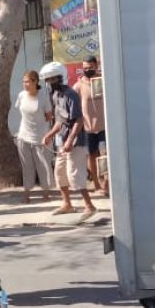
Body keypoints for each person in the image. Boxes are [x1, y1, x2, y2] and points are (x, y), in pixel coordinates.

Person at [40, 61, 97, 219]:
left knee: (75, 174)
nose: (49, 82)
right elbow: (60, 121)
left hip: (75, 141)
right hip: (62, 141)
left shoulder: (70, 94)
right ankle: (67, 204)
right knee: (59, 173)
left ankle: (89, 206)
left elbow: (78, 119)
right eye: (47, 80)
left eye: (52, 79)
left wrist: (70, 140)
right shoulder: (55, 95)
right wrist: (50, 134)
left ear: (60, 78)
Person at [13, 70, 54, 202]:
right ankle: (27, 195)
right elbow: (19, 111)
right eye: (23, 82)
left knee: (43, 165)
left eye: (27, 82)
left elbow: (49, 116)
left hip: (41, 137)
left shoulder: (43, 95)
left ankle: (46, 194)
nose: (25, 84)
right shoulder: (21, 95)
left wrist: (46, 132)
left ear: (35, 82)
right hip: (23, 135)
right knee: (27, 166)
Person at [76, 55, 108, 196]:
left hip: (104, 127)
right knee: (92, 157)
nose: (87, 70)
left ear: (96, 66)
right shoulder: (79, 85)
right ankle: (96, 185)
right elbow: (71, 100)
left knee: (104, 156)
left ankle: (106, 184)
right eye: (85, 68)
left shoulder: (103, 80)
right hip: (88, 129)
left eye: (90, 67)